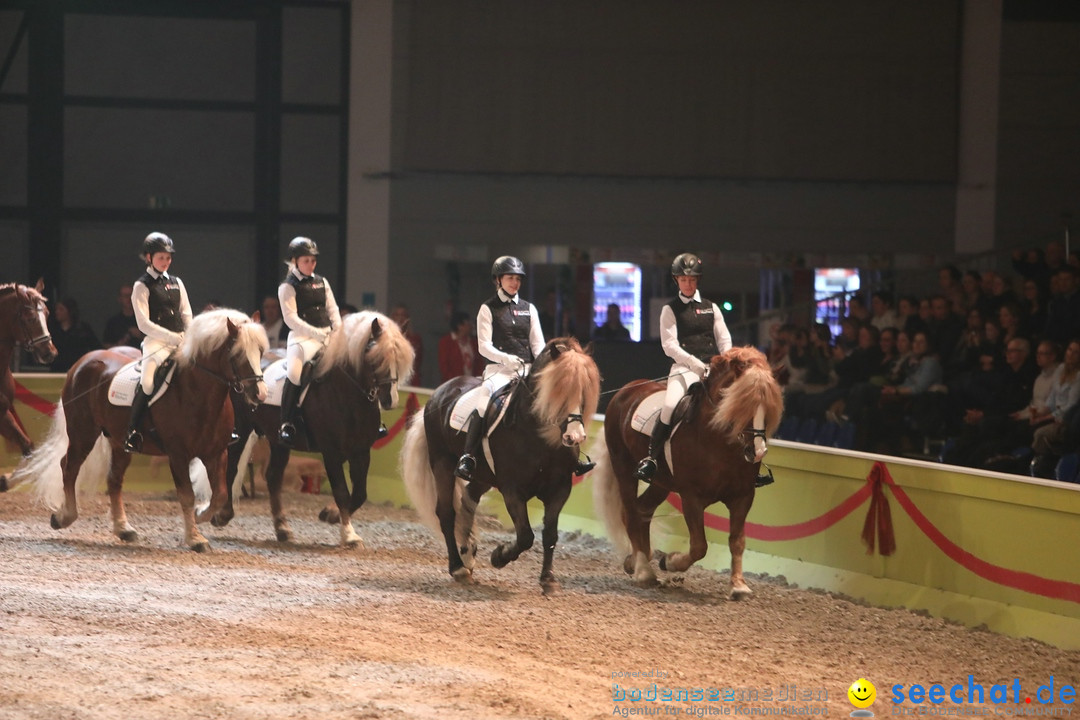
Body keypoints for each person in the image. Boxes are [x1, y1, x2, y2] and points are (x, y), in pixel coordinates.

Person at [455, 256, 594, 481]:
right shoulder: (487, 308)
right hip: (499, 371)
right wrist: (506, 359)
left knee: (560, 402)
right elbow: (483, 346)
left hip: (528, 370)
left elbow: (538, 344)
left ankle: (573, 458)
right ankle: (468, 456)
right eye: (510, 278)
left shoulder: (529, 309)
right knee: (483, 402)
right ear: (498, 280)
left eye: (518, 279)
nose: (515, 283)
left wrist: (543, 365)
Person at [634, 253, 732, 481]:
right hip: (683, 370)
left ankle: (747, 460)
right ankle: (651, 458)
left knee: (738, 406)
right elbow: (669, 345)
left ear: (697, 280)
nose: (688, 284)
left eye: (692, 279)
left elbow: (724, 339)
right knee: (669, 406)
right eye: (684, 280)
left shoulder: (712, 308)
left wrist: (725, 360)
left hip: (713, 370)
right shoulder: (670, 310)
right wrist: (695, 364)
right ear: (676, 280)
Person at [123, 232, 193, 453]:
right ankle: (133, 431)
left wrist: (188, 334)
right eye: (161, 257)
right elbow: (143, 324)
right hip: (156, 343)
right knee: (147, 382)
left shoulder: (177, 282)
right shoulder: (141, 286)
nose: (165, 262)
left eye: (168, 258)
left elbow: (186, 312)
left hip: (182, 340)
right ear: (149, 257)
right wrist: (171, 337)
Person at [277, 237, 342, 447]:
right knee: (295, 373)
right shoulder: (287, 287)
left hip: (327, 335)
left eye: (313, 261)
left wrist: (338, 331)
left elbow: (332, 309)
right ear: (295, 261)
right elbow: (290, 319)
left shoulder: (322, 282)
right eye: (306, 260)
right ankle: (286, 423)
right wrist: (315, 333)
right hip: (301, 338)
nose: (311, 265)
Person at [48, 297, 101, 373]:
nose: (57, 312)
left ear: (70, 311)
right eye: (56, 309)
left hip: (78, 370)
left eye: (61, 309)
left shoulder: (83, 329)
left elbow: (96, 347)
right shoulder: (52, 329)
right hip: (57, 371)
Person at [437, 311, 483, 383]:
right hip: (453, 385)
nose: (471, 326)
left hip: (472, 384)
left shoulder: (474, 343)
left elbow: (479, 364)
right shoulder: (446, 342)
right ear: (460, 326)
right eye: (468, 324)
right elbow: (444, 367)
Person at [390, 304, 423, 386]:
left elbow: (416, 363)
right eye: (397, 315)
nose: (400, 318)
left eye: (403, 315)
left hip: (409, 380)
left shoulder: (415, 339)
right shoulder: (385, 338)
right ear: (392, 317)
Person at [102, 284, 143, 349]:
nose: (129, 299)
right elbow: (106, 346)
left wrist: (141, 336)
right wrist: (119, 345)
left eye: (131, 295)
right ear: (120, 299)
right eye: (126, 296)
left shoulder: (144, 320)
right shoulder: (113, 322)